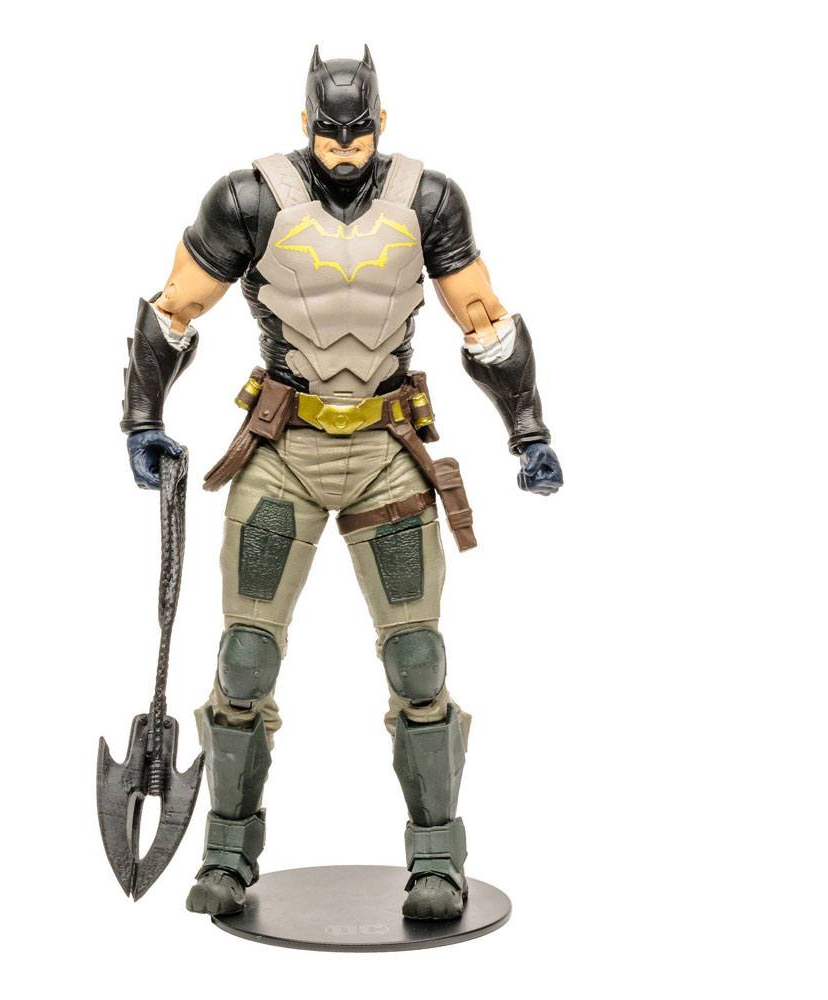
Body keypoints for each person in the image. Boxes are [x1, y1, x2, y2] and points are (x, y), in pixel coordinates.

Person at [120, 46, 563, 920]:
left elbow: (481, 316)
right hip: (282, 451)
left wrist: (528, 428)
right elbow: (175, 304)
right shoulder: (248, 199)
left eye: (359, 132)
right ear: (306, 124)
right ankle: (228, 853)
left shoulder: (428, 200)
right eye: (331, 133)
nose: (346, 147)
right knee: (244, 659)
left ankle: (437, 861)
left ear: (382, 123)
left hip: (385, 455)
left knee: (418, 660)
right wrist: (142, 416)